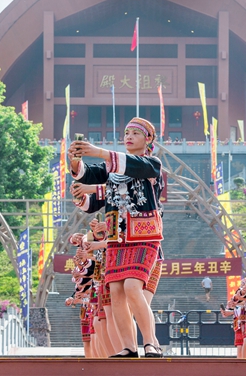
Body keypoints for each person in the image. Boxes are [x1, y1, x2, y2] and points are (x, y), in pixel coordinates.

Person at [69, 117, 164, 358]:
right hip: (115, 238)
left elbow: (131, 166)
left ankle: (151, 342)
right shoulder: (112, 172)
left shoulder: (152, 165)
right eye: (127, 132)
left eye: (135, 133)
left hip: (143, 235)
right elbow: (90, 191)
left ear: (148, 139)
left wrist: (98, 152)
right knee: (116, 292)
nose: (129, 136)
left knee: (133, 286)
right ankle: (129, 347)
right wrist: (76, 161)